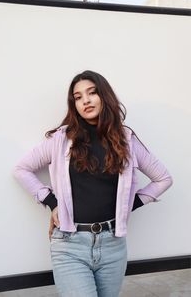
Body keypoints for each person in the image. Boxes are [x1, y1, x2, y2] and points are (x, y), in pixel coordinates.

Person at [13, 70, 173, 297]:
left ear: (104, 96)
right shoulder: (60, 139)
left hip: (113, 245)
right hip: (69, 245)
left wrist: (129, 205)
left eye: (92, 93)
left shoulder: (125, 140)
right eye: (77, 97)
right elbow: (21, 169)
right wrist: (51, 201)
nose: (85, 100)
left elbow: (163, 178)